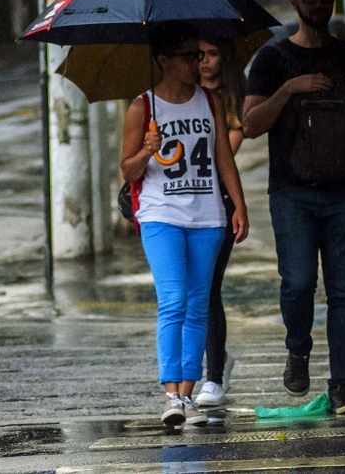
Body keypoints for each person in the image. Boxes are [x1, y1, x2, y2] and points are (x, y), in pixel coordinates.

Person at [243, 0, 345, 414]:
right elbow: (251, 124)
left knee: (344, 294)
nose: (320, 4)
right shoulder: (271, 61)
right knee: (297, 282)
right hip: (292, 193)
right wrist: (290, 89)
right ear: (295, 1)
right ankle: (298, 349)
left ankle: (342, 386)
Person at [121, 25, 249, 427]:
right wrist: (146, 149)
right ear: (163, 60)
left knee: (197, 306)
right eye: (188, 56)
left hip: (208, 217)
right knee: (173, 301)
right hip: (162, 216)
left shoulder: (211, 102)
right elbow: (128, 170)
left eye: (199, 55)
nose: (198, 63)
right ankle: (169, 394)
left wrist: (239, 205)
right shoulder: (142, 107)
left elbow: (223, 156)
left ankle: (188, 396)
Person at [193, 38, 246, 407]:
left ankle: (213, 377)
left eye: (213, 53)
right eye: (198, 55)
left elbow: (223, 154)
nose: (205, 61)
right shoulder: (180, 96)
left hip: (218, 204)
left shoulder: (229, 99)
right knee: (187, 293)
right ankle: (217, 361)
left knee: (209, 289)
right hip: (179, 207)